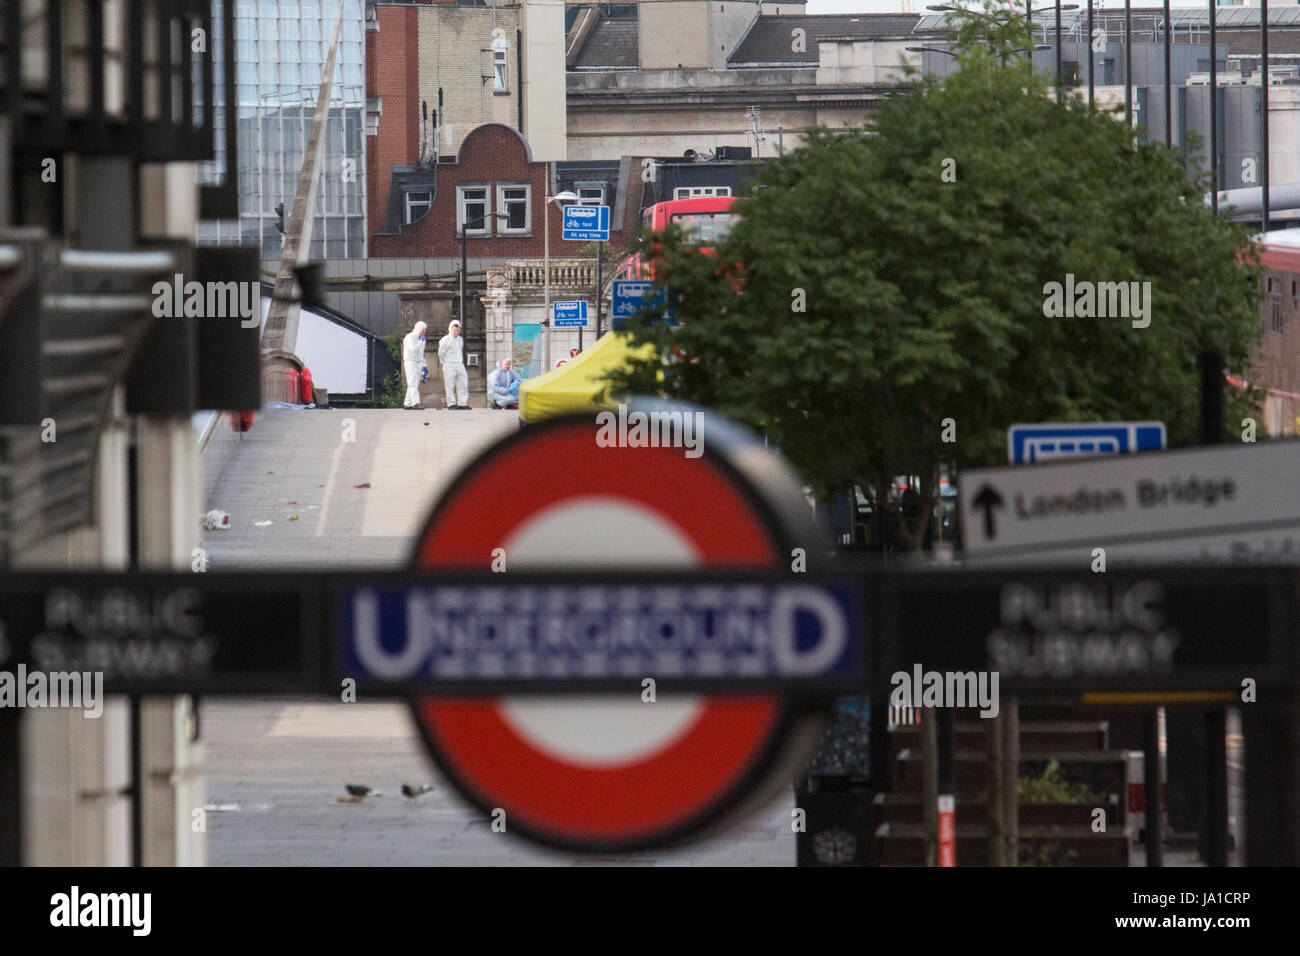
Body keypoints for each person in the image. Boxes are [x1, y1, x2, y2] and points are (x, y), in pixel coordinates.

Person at [438, 319, 469, 409]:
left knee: (463, 383)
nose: (456, 332)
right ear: (450, 329)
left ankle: (462, 403)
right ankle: (451, 403)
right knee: (449, 384)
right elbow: (441, 353)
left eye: (458, 330)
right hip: (449, 364)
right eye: (454, 330)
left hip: (459, 363)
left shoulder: (460, 339)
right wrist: (445, 362)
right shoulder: (445, 340)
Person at [401, 320, 428, 410]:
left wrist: (424, 366)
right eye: (423, 330)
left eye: (425, 330)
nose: (424, 331)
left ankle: (407, 403)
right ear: (418, 328)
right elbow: (412, 349)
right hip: (410, 361)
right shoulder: (410, 337)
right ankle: (416, 403)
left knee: (414, 383)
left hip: (418, 361)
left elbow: (421, 353)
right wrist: (420, 342)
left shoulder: (422, 338)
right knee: (412, 382)